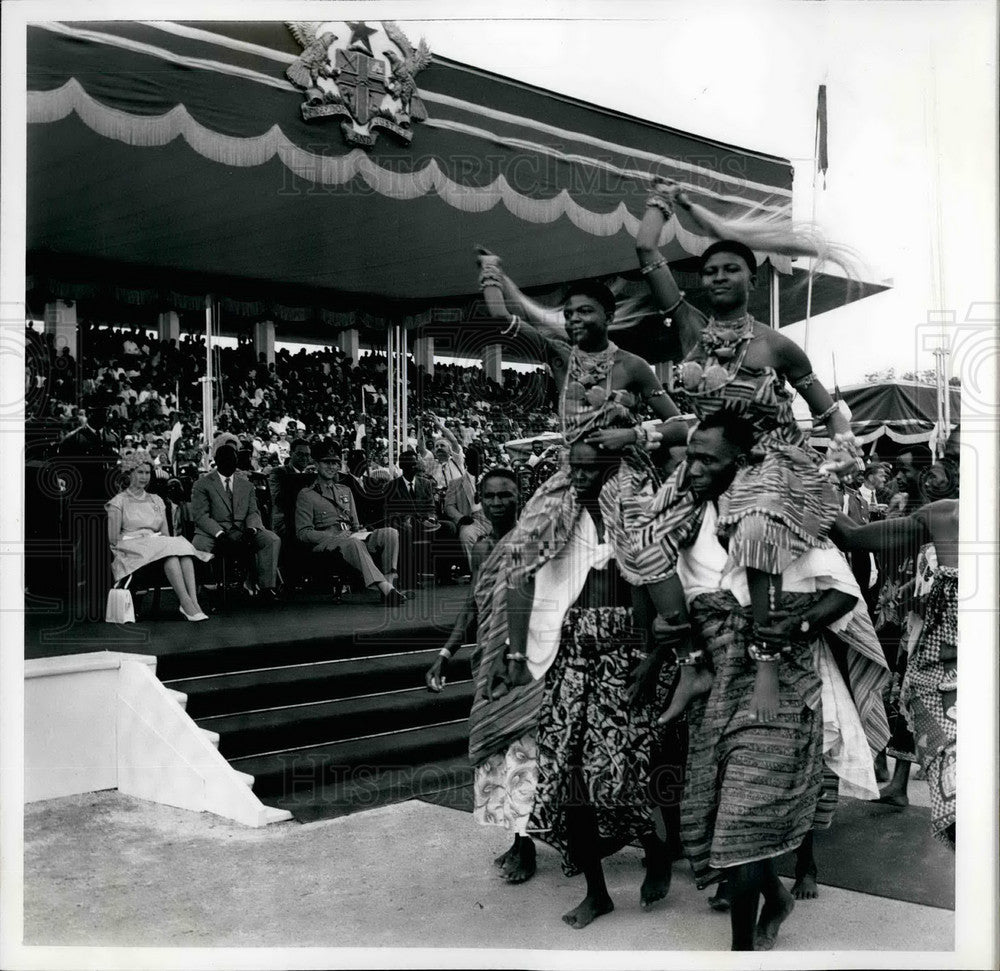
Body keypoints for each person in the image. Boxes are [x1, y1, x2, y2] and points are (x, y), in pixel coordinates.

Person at [630, 410, 880, 950]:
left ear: (741, 462)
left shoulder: (777, 514)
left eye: (707, 460)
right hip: (717, 687)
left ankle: (741, 949)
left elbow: (843, 593)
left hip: (780, 690)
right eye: (691, 458)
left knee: (743, 818)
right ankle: (776, 897)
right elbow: (663, 590)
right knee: (730, 817)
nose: (694, 469)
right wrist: (671, 636)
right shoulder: (683, 524)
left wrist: (798, 624)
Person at [625, 180, 862, 723]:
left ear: (752, 279)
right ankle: (689, 663)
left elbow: (827, 409)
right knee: (643, 537)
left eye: (730, 269)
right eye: (710, 271)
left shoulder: (777, 344)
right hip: (709, 462)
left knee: (754, 529)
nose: (718, 277)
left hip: (772, 462)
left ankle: (768, 658)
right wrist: (663, 202)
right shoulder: (690, 327)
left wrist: (845, 446)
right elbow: (645, 249)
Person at [490, 441, 678, 929]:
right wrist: (515, 654)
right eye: (575, 465)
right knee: (568, 775)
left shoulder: (635, 512)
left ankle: (658, 850)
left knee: (625, 773)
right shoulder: (553, 516)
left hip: (628, 653)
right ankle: (597, 892)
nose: (583, 475)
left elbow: (659, 587)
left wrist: (654, 657)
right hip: (569, 652)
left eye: (594, 466)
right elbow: (521, 577)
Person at [424, 469, 539, 883]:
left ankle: (527, 845)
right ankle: (517, 839)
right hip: (489, 662)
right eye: (489, 496)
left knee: (524, 755)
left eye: (505, 495)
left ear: (520, 496)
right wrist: (445, 653)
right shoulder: (482, 548)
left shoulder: (533, 542)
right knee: (497, 756)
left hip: (524, 664)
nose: (496, 503)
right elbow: (474, 604)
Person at [831, 495, 958, 848]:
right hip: (941, 695)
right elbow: (852, 537)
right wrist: (811, 485)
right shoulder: (942, 515)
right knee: (963, 819)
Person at [294, 440, 405, 605]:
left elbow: (355, 525)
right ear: (316, 464)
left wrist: (360, 532)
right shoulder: (306, 495)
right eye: (326, 462)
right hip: (327, 543)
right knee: (353, 542)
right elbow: (303, 533)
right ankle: (386, 588)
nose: (332, 467)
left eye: (335, 463)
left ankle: (389, 584)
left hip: (351, 537)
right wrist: (332, 535)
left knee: (390, 533)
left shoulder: (345, 490)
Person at [106, 449, 212, 621]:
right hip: (131, 549)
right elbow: (113, 539)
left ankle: (192, 602)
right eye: (140, 472)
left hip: (156, 546)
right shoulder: (118, 502)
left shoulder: (156, 500)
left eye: (148, 473)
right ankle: (186, 603)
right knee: (173, 549)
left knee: (178, 554)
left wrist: (153, 542)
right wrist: (139, 541)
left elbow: (165, 534)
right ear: (130, 473)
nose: (145, 477)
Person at [190, 442, 282, 601]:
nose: (230, 463)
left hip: (243, 529)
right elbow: (201, 516)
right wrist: (219, 534)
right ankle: (205, 589)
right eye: (225, 460)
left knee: (271, 540)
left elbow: (253, 511)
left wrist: (251, 529)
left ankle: (266, 587)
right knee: (199, 546)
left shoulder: (246, 485)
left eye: (233, 460)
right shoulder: (202, 484)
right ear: (216, 461)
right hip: (212, 531)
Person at [267, 436, 316, 538]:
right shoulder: (278, 472)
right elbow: (278, 498)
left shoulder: (311, 475)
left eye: (307, 455)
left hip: (308, 519)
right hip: (286, 521)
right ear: (290, 453)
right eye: (300, 454)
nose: (304, 458)